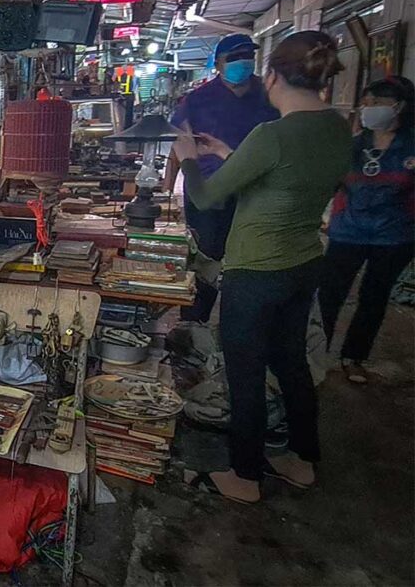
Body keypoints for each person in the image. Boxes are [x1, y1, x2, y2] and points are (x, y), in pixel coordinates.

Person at [171, 31, 352, 503]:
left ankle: (245, 476)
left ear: (271, 76)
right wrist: (227, 154)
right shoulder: (336, 128)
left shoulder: (271, 134)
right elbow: (285, 181)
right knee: (291, 362)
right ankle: (300, 459)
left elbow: (209, 196)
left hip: (257, 270)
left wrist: (191, 161)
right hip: (304, 262)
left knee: (244, 371)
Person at [167, 34, 280, 323]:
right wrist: (166, 189)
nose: (243, 62)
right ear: (218, 63)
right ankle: (194, 325)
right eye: (234, 57)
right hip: (209, 191)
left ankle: (241, 322)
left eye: (247, 56)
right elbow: (178, 144)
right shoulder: (198, 100)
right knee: (204, 260)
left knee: (248, 262)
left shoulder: (269, 97)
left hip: (255, 192)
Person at [318, 76, 415, 384]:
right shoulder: (354, 145)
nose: (368, 109)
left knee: (374, 297)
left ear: (398, 107)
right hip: (348, 231)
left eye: (377, 104)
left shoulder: (410, 146)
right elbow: (331, 181)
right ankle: (318, 353)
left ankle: (354, 356)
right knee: (330, 296)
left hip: (394, 235)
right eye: (366, 103)